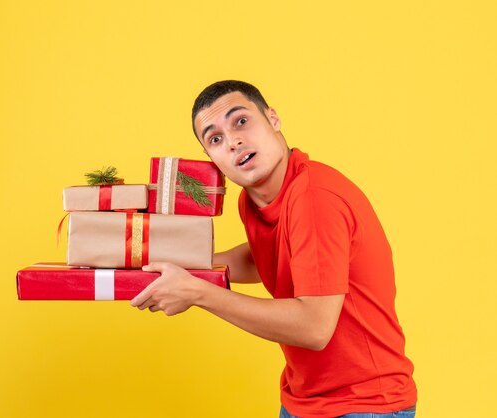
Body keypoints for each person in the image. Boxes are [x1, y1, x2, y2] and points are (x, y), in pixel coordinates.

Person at [130, 80, 417, 418]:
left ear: (273, 119)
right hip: (304, 399)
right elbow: (262, 256)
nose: (234, 141)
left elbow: (314, 327)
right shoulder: (253, 201)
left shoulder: (314, 198)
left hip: (364, 404)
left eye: (241, 121)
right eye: (216, 139)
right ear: (211, 159)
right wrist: (176, 266)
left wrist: (196, 291)